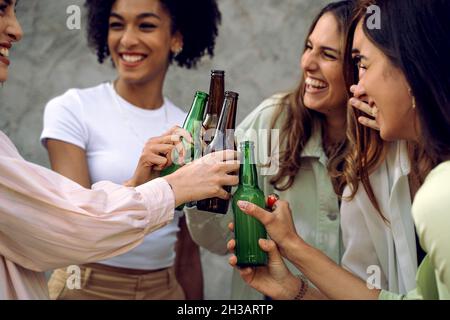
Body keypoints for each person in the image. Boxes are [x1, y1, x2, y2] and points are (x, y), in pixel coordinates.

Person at [0, 0, 239, 300]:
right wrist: (170, 186)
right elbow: (75, 220)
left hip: (163, 288)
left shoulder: (189, 127)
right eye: (116, 25)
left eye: (146, 25)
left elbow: (186, 253)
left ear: (177, 37)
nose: (127, 39)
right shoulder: (74, 109)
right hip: (87, 284)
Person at [229, 0, 450, 300]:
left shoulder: (439, 195)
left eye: (361, 63)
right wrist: (292, 284)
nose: (357, 87)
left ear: (411, 69)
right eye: (308, 48)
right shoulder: (272, 122)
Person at [186, 0, 354, 299]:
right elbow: (216, 237)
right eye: (308, 47)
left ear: (360, 65)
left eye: (327, 54)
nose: (307, 63)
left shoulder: (391, 139)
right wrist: (199, 186)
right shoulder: (272, 122)